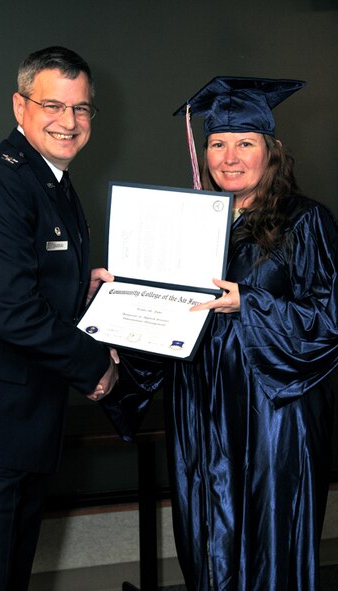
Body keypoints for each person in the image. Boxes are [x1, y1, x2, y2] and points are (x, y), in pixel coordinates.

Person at [103, 77, 338, 590]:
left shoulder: (307, 222)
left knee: (267, 540)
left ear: (271, 152)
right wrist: (118, 300)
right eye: (217, 143)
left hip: (273, 416)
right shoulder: (187, 225)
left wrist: (247, 303)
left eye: (245, 143)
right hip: (200, 409)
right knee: (205, 537)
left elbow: (329, 323)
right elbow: (163, 323)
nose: (229, 157)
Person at [0, 46, 118, 590]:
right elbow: (10, 312)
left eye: (82, 108)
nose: (69, 122)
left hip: (20, 429)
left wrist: (79, 289)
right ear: (19, 106)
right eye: (53, 105)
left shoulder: (52, 183)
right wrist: (93, 364)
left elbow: (27, 283)